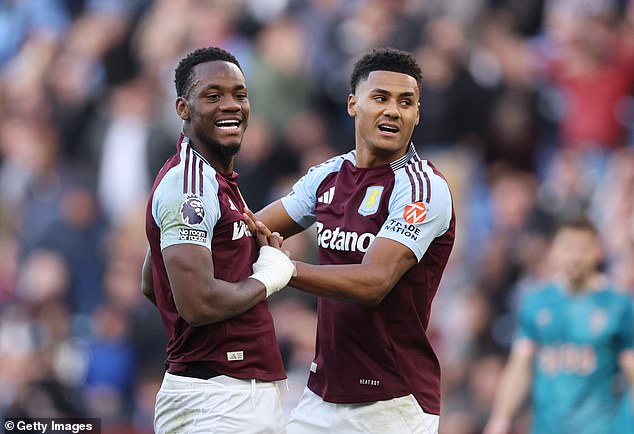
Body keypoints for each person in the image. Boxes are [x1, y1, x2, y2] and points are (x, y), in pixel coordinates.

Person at [252, 47, 456, 433]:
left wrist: (286, 271)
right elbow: (253, 231)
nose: (393, 110)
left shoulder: (422, 188)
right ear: (352, 104)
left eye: (406, 102)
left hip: (392, 401)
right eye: (380, 98)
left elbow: (373, 282)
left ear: (417, 114)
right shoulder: (328, 175)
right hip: (323, 393)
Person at [141, 47, 295, 434]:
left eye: (239, 95)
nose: (231, 105)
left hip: (232, 392)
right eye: (213, 96)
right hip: (218, 397)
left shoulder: (216, 179)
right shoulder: (189, 185)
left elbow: (152, 280)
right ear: (183, 108)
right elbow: (196, 302)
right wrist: (268, 278)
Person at [484, 218, 634, 434]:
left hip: (603, 427)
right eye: (568, 248)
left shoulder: (618, 305)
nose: (575, 257)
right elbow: (520, 366)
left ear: (597, 251)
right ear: (554, 251)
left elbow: (631, 371)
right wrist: (500, 419)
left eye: (583, 249)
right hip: (548, 427)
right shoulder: (536, 303)